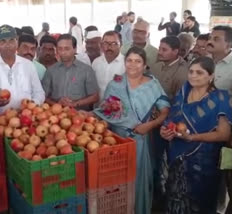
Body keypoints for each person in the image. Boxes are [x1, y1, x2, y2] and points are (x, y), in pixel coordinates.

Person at [93, 46, 170, 214]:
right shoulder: (116, 84)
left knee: (137, 181)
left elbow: (165, 111)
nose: (133, 65)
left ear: (144, 65)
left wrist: (149, 125)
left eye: (138, 61)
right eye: (129, 60)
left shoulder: (152, 85)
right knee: (117, 183)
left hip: (140, 141)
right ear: (124, 62)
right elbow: (105, 110)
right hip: (116, 141)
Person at [160, 56, 232, 214]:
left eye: (199, 73)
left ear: (211, 76)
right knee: (175, 198)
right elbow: (171, 119)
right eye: (191, 72)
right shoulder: (183, 92)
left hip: (204, 162)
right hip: (177, 157)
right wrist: (165, 131)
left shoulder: (220, 98)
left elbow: (223, 134)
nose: (193, 76)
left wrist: (191, 137)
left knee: (200, 203)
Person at [0, 25, 45, 114]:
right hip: (1, 122)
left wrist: (31, 105)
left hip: (27, 118)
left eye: (11, 41)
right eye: (3, 41)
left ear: (17, 42)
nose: (8, 45)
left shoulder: (28, 65)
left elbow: (39, 93)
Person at [207, 25, 232, 214]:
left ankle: (220, 208)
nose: (210, 41)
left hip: (227, 130)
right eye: (210, 37)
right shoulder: (207, 62)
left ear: (229, 44)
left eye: (216, 39)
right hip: (205, 126)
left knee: (225, 171)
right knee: (209, 169)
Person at [42, 34, 99, 110]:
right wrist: (57, 104)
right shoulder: (51, 71)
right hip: (56, 115)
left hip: (80, 116)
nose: (63, 52)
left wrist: (74, 104)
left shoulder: (86, 70)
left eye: (67, 49)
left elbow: (95, 97)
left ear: (75, 49)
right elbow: (43, 96)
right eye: (60, 49)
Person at [151, 36, 188, 101]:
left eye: (164, 50)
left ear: (175, 52)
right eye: (159, 49)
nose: (159, 52)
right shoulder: (157, 65)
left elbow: (180, 100)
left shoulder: (182, 72)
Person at [92, 31, 124, 101]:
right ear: (101, 45)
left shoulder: (126, 64)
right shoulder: (96, 62)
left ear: (121, 44)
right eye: (106, 43)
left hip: (119, 109)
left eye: (114, 43)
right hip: (97, 108)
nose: (109, 47)